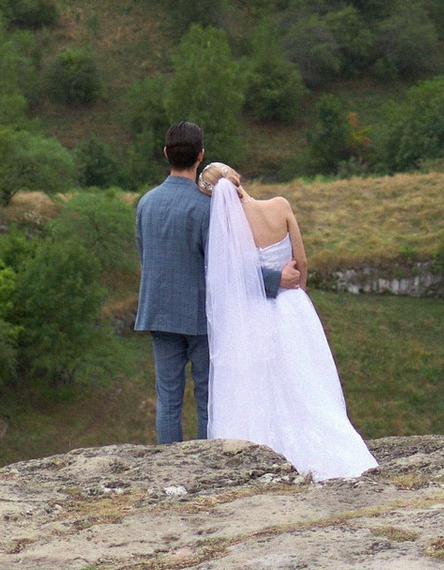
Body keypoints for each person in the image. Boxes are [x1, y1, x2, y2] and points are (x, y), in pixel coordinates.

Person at [198, 159, 377, 482]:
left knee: (264, 381)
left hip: (255, 311)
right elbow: (303, 259)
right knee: (305, 377)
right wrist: (299, 292)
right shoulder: (280, 205)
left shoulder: (228, 230)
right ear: (238, 177)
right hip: (293, 306)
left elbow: (235, 277)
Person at [132, 118, 214, 446]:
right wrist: (275, 279)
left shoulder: (146, 203)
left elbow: (145, 256)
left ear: (166, 153)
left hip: (160, 312)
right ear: (201, 156)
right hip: (200, 316)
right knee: (207, 399)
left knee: (168, 400)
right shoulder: (206, 206)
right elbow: (222, 267)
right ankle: (208, 465)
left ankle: (170, 467)